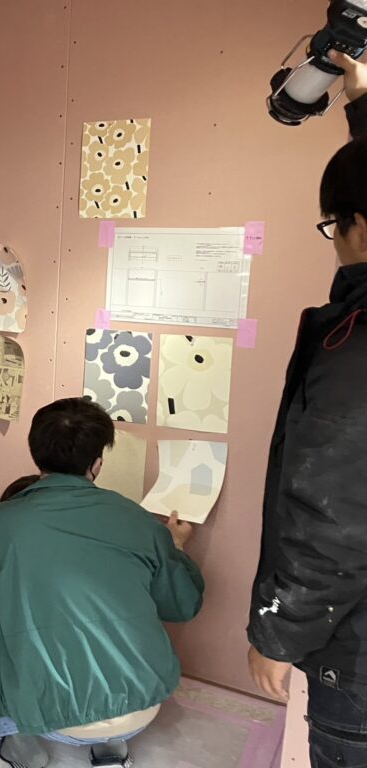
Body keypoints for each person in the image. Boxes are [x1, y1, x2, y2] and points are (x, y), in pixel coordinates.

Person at [0, 398, 204, 768]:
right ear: (97, 463)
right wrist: (175, 545)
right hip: (142, 707)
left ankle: (16, 737)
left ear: (36, 455)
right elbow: (182, 604)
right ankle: (111, 750)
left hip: (55, 720)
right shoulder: (140, 522)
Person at [247, 51, 367, 766]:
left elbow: (332, 519)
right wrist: (361, 104)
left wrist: (276, 633)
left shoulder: (356, 354)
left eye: (334, 226)